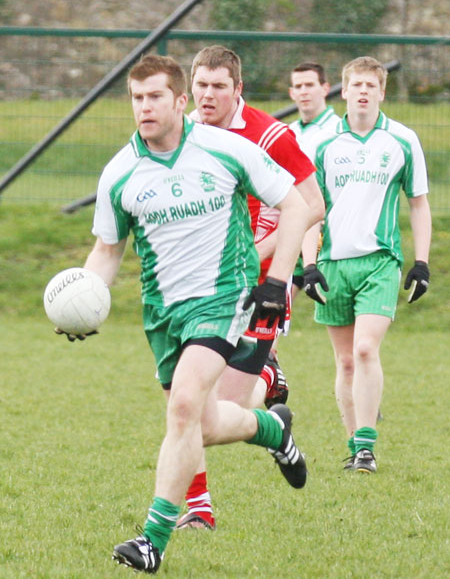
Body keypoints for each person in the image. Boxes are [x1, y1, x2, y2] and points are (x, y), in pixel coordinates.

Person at [58, 53, 314, 574]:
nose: (144, 107)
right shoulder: (119, 173)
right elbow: (107, 252)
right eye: (136, 97)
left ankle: (152, 540)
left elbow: (298, 205)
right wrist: (86, 300)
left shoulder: (227, 149)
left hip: (225, 297)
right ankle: (272, 430)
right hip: (163, 312)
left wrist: (276, 279)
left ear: (180, 101)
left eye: (155, 96)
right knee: (204, 421)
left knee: (182, 411)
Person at [174, 45, 324, 530]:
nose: (208, 95)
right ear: (189, 88)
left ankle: (270, 414)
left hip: (260, 287)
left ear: (238, 89)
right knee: (188, 406)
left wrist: (255, 257)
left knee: (227, 414)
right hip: (199, 290)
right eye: (201, 86)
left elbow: (314, 206)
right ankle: (198, 511)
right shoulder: (184, 134)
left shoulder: (270, 135)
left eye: (219, 86)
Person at [301, 56, 432, 474]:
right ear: (343, 90)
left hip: (380, 262)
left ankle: (366, 448)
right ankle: (354, 442)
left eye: (370, 86)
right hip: (333, 264)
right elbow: (308, 209)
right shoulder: (322, 145)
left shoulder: (402, 140)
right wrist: (308, 265)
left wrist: (422, 262)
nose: (362, 92)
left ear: (381, 92)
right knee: (344, 361)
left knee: (364, 349)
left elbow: (418, 203)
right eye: (355, 84)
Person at [288, 62, 341, 297]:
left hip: (331, 234)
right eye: (298, 86)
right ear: (291, 93)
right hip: (290, 227)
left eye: (310, 85)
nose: (304, 91)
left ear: (325, 88)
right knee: (271, 307)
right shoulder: (287, 132)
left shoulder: (339, 130)